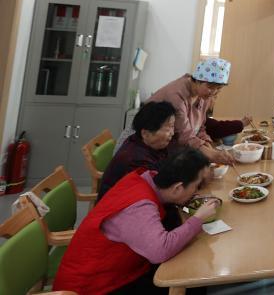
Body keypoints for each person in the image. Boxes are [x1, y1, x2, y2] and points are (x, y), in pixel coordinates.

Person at [54, 148, 218, 295]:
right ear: (177, 188)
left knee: (191, 276)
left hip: (119, 271)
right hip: (91, 288)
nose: (196, 191)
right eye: (197, 186)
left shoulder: (145, 179)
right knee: (191, 282)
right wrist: (197, 219)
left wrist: (187, 206)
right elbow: (160, 251)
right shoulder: (140, 206)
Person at [147, 58, 239, 164]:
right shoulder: (176, 96)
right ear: (198, 80)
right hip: (151, 148)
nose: (213, 93)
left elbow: (199, 127)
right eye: (210, 87)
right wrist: (211, 154)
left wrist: (207, 144)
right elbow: (183, 135)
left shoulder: (203, 96)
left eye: (219, 88)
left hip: (174, 148)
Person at [98, 101, 176, 201]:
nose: (172, 133)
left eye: (172, 126)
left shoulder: (143, 142)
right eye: (168, 128)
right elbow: (156, 193)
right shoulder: (136, 161)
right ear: (145, 133)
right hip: (119, 207)